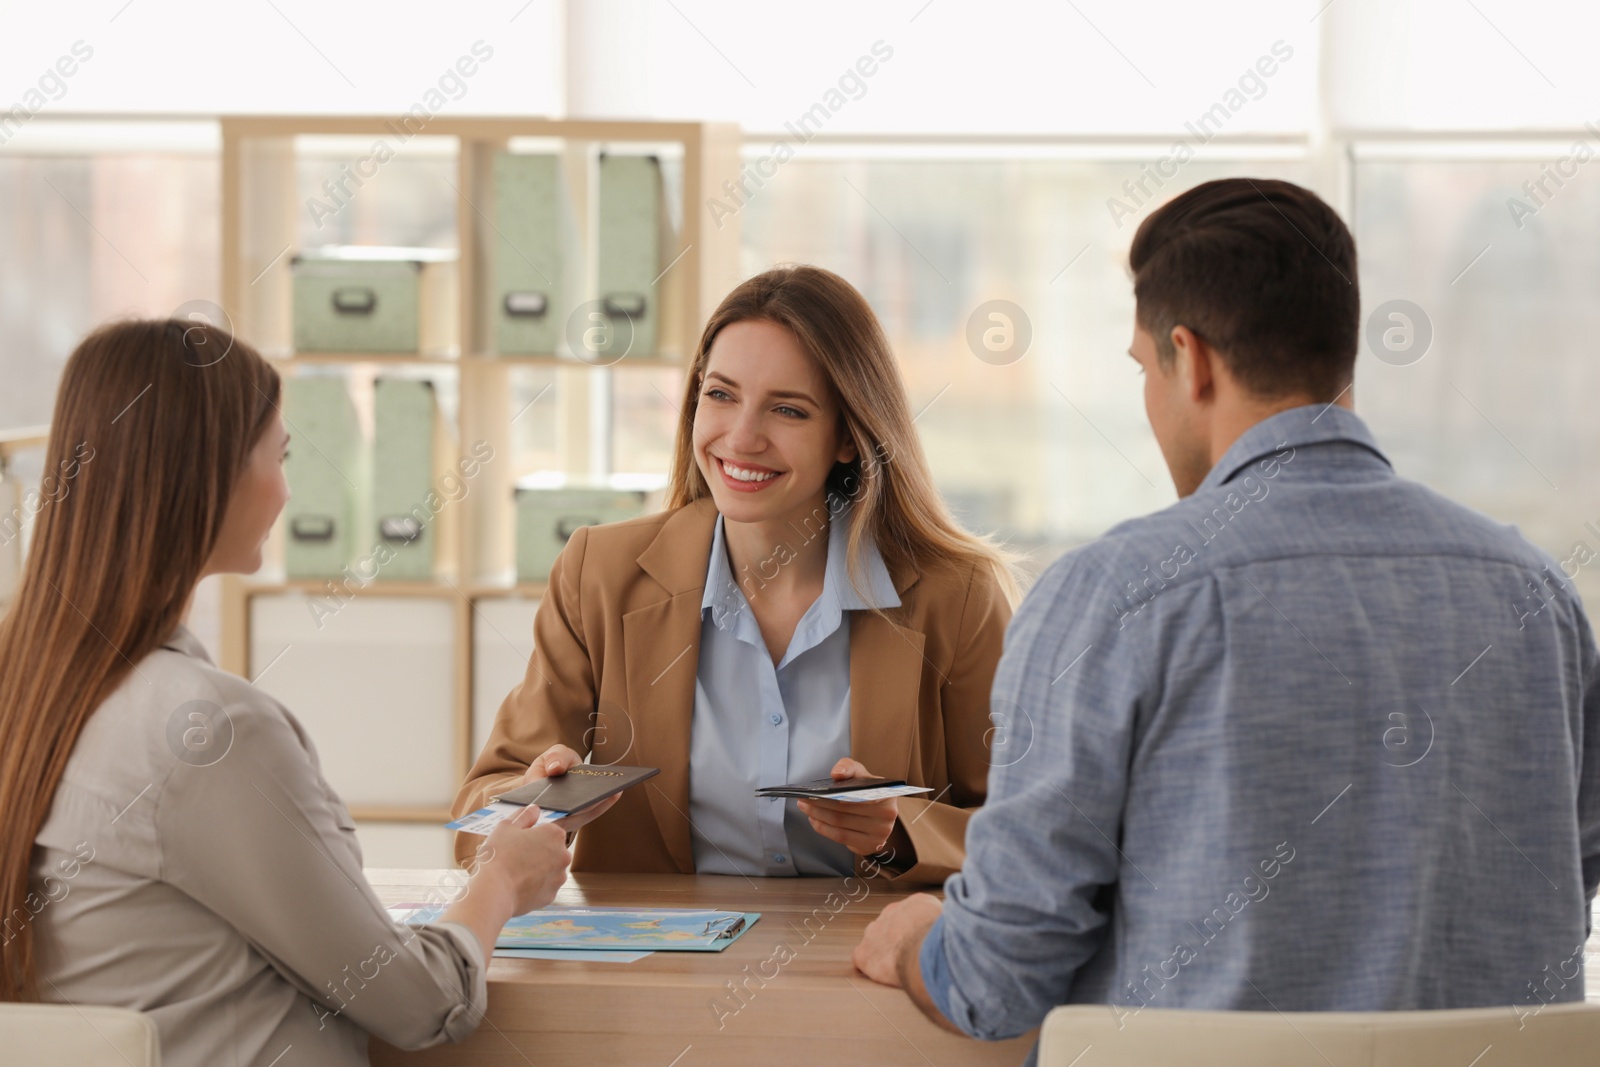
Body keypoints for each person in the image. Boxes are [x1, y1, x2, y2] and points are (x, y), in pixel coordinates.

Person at [852, 179, 1600, 1059]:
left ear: (1191, 358)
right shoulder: (1537, 594)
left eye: (1142, 369)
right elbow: (1568, 871)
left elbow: (997, 979)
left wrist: (915, 944)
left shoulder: (1113, 597)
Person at [0, 320, 594, 1067]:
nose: (287, 488)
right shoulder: (205, 728)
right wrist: (503, 879)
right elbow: (418, 1000)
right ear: (208, 472)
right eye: (279, 456)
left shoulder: (29, 689)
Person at [455, 265, 1017, 884]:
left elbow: (1032, 830)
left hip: (864, 961)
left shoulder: (956, 595)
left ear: (849, 437)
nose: (742, 437)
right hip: (655, 968)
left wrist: (903, 829)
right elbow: (479, 814)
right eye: (720, 395)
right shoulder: (600, 574)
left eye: (788, 410)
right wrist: (529, 804)